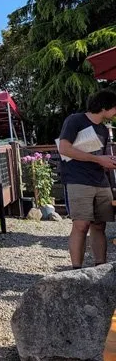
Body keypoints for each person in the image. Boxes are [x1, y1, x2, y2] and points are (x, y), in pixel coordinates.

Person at [58, 89, 116, 269]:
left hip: (100, 181)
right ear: (105, 106)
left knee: (99, 225)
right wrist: (99, 159)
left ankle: (100, 268)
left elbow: (98, 155)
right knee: (81, 225)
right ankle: (77, 271)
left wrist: (107, 162)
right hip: (78, 180)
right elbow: (64, 148)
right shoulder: (75, 120)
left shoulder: (104, 129)